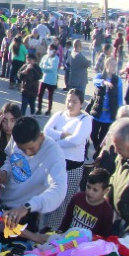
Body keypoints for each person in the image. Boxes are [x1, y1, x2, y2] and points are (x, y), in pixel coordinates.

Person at [0, 116, 68, 232]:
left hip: (25, 214)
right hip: (2, 202)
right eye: (22, 149)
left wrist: (29, 206)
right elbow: (10, 157)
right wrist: (5, 171)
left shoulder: (54, 154)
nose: (27, 153)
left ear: (41, 136)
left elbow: (59, 189)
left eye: (31, 148)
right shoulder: (17, 138)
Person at [41, 89, 92, 231]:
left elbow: (76, 140)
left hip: (72, 167)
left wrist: (55, 141)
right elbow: (46, 131)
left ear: (81, 104)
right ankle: (45, 224)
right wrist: (63, 134)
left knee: (63, 200)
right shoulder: (59, 115)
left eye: (74, 101)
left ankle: (55, 228)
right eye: (68, 100)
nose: (70, 104)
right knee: (50, 194)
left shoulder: (85, 120)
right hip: (55, 164)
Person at [37, 45, 60, 116]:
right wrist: (45, 67)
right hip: (43, 79)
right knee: (40, 94)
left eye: (51, 49)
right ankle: (39, 109)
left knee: (50, 96)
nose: (49, 50)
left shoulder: (56, 58)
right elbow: (40, 65)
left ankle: (49, 110)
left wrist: (44, 67)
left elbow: (52, 68)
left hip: (51, 80)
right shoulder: (45, 57)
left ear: (55, 50)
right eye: (48, 48)